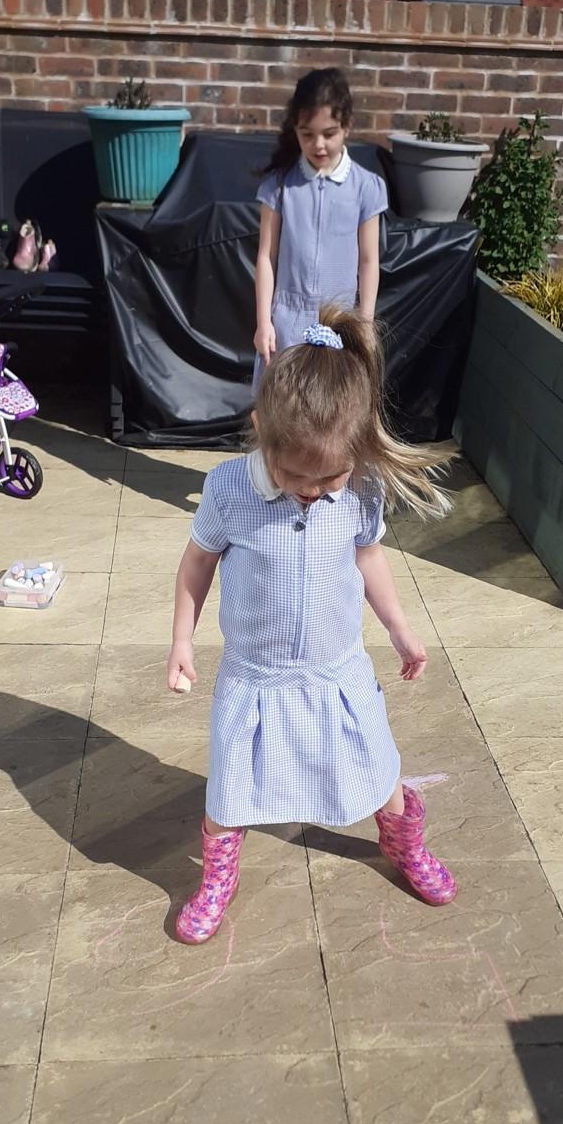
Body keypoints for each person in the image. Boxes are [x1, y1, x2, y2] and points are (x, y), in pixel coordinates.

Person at [166, 306, 457, 945]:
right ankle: (217, 875)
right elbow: (197, 563)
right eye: (296, 473)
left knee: (378, 769)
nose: (312, 489)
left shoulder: (361, 491)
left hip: (337, 671)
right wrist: (182, 640)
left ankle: (402, 842)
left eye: (330, 476)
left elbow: (369, 557)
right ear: (261, 431)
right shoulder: (229, 490)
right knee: (231, 785)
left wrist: (400, 629)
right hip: (256, 677)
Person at [253, 67, 387, 391]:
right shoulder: (279, 186)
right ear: (295, 129)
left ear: (347, 125)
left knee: (330, 409)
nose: (319, 144)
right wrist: (263, 322)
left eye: (329, 134)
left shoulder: (366, 187)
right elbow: (266, 257)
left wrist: (365, 323)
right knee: (280, 407)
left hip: (339, 326)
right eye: (307, 134)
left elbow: (369, 260)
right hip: (286, 325)